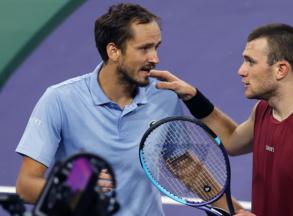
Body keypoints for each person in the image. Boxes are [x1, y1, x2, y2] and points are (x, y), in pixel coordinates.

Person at [150, 23, 293, 216]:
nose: (241, 71)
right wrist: (194, 97)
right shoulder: (263, 112)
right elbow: (232, 140)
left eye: (250, 62)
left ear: (281, 70)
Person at [15, 3, 184, 215]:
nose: (155, 58)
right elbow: (26, 186)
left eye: (156, 47)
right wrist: (77, 192)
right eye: (144, 48)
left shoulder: (165, 97)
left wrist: (233, 210)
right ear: (113, 51)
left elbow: (186, 167)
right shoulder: (59, 99)